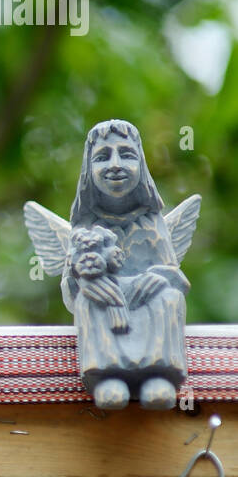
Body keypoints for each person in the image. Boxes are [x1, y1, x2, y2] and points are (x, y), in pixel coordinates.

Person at [63, 119, 188, 410]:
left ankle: (158, 374)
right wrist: (88, 282)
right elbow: (71, 287)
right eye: (103, 157)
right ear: (88, 170)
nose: (115, 165)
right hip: (103, 297)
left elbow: (178, 278)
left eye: (127, 154)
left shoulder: (152, 221)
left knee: (170, 298)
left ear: (141, 165)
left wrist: (159, 277)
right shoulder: (85, 225)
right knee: (87, 302)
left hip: (146, 296)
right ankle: (108, 376)